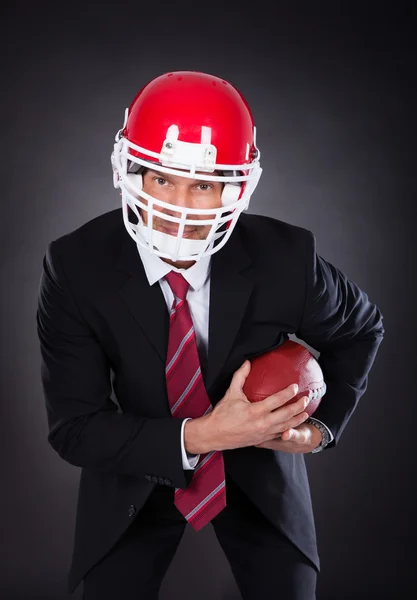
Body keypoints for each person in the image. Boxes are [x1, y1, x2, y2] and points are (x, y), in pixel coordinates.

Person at [36, 70, 384, 600]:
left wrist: (317, 432)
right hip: (139, 465)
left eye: (202, 184)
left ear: (236, 186)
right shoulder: (77, 266)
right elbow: (75, 428)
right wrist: (204, 436)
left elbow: (361, 329)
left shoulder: (286, 259)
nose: (179, 204)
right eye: (161, 177)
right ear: (131, 173)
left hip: (259, 469)